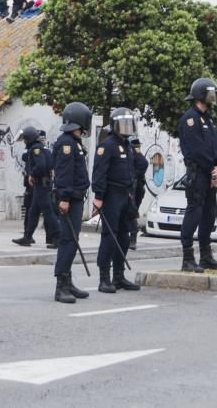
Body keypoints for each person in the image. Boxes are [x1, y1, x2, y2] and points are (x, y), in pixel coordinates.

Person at [178, 77, 217, 272]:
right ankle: (187, 258)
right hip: (198, 174)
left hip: (210, 175)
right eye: (210, 94)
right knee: (194, 212)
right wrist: (211, 170)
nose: (213, 98)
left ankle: (206, 257)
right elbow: (197, 151)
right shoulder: (190, 119)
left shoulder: (208, 119)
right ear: (201, 95)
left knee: (208, 214)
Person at [92, 108, 141, 293]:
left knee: (124, 236)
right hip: (111, 195)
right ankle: (104, 277)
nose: (127, 128)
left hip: (126, 195)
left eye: (130, 124)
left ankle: (118, 276)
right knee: (109, 237)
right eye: (124, 124)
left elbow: (139, 166)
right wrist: (98, 197)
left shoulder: (128, 145)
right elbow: (99, 173)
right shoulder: (107, 145)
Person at [52, 102, 93, 304]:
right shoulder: (66, 143)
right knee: (68, 241)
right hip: (70, 199)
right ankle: (61, 286)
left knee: (72, 241)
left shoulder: (74, 142)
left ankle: (67, 281)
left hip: (76, 197)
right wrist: (65, 198)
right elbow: (64, 174)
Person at [13, 127, 59, 249]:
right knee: (33, 211)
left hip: (41, 184)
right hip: (43, 184)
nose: (24, 142)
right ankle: (27, 237)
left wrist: (32, 174)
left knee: (48, 212)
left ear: (29, 139)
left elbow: (41, 166)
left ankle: (59, 237)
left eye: (25, 139)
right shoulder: (42, 147)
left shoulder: (36, 149)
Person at [128, 136, 149, 250]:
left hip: (135, 187)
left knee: (131, 212)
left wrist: (133, 175)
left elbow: (143, 163)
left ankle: (133, 239)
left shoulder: (132, 150)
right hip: (135, 187)